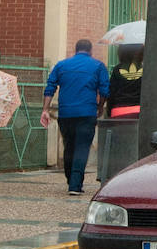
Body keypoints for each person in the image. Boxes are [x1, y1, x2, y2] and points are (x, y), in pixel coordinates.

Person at [42, 38, 110, 195]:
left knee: (69, 146)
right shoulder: (98, 66)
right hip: (87, 113)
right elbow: (105, 90)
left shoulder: (61, 65)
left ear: (75, 49)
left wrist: (45, 109)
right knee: (82, 148)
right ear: (90, 51)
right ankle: (74, 185)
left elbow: (50, 87)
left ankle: (70, 179)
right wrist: (100, 107)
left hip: (65, 114)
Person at [107, 43, 143, 117]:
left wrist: (109, 111)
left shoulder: (117, 69)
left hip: (118, 111)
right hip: (141, 110)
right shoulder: (146, 69)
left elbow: (111, 92)